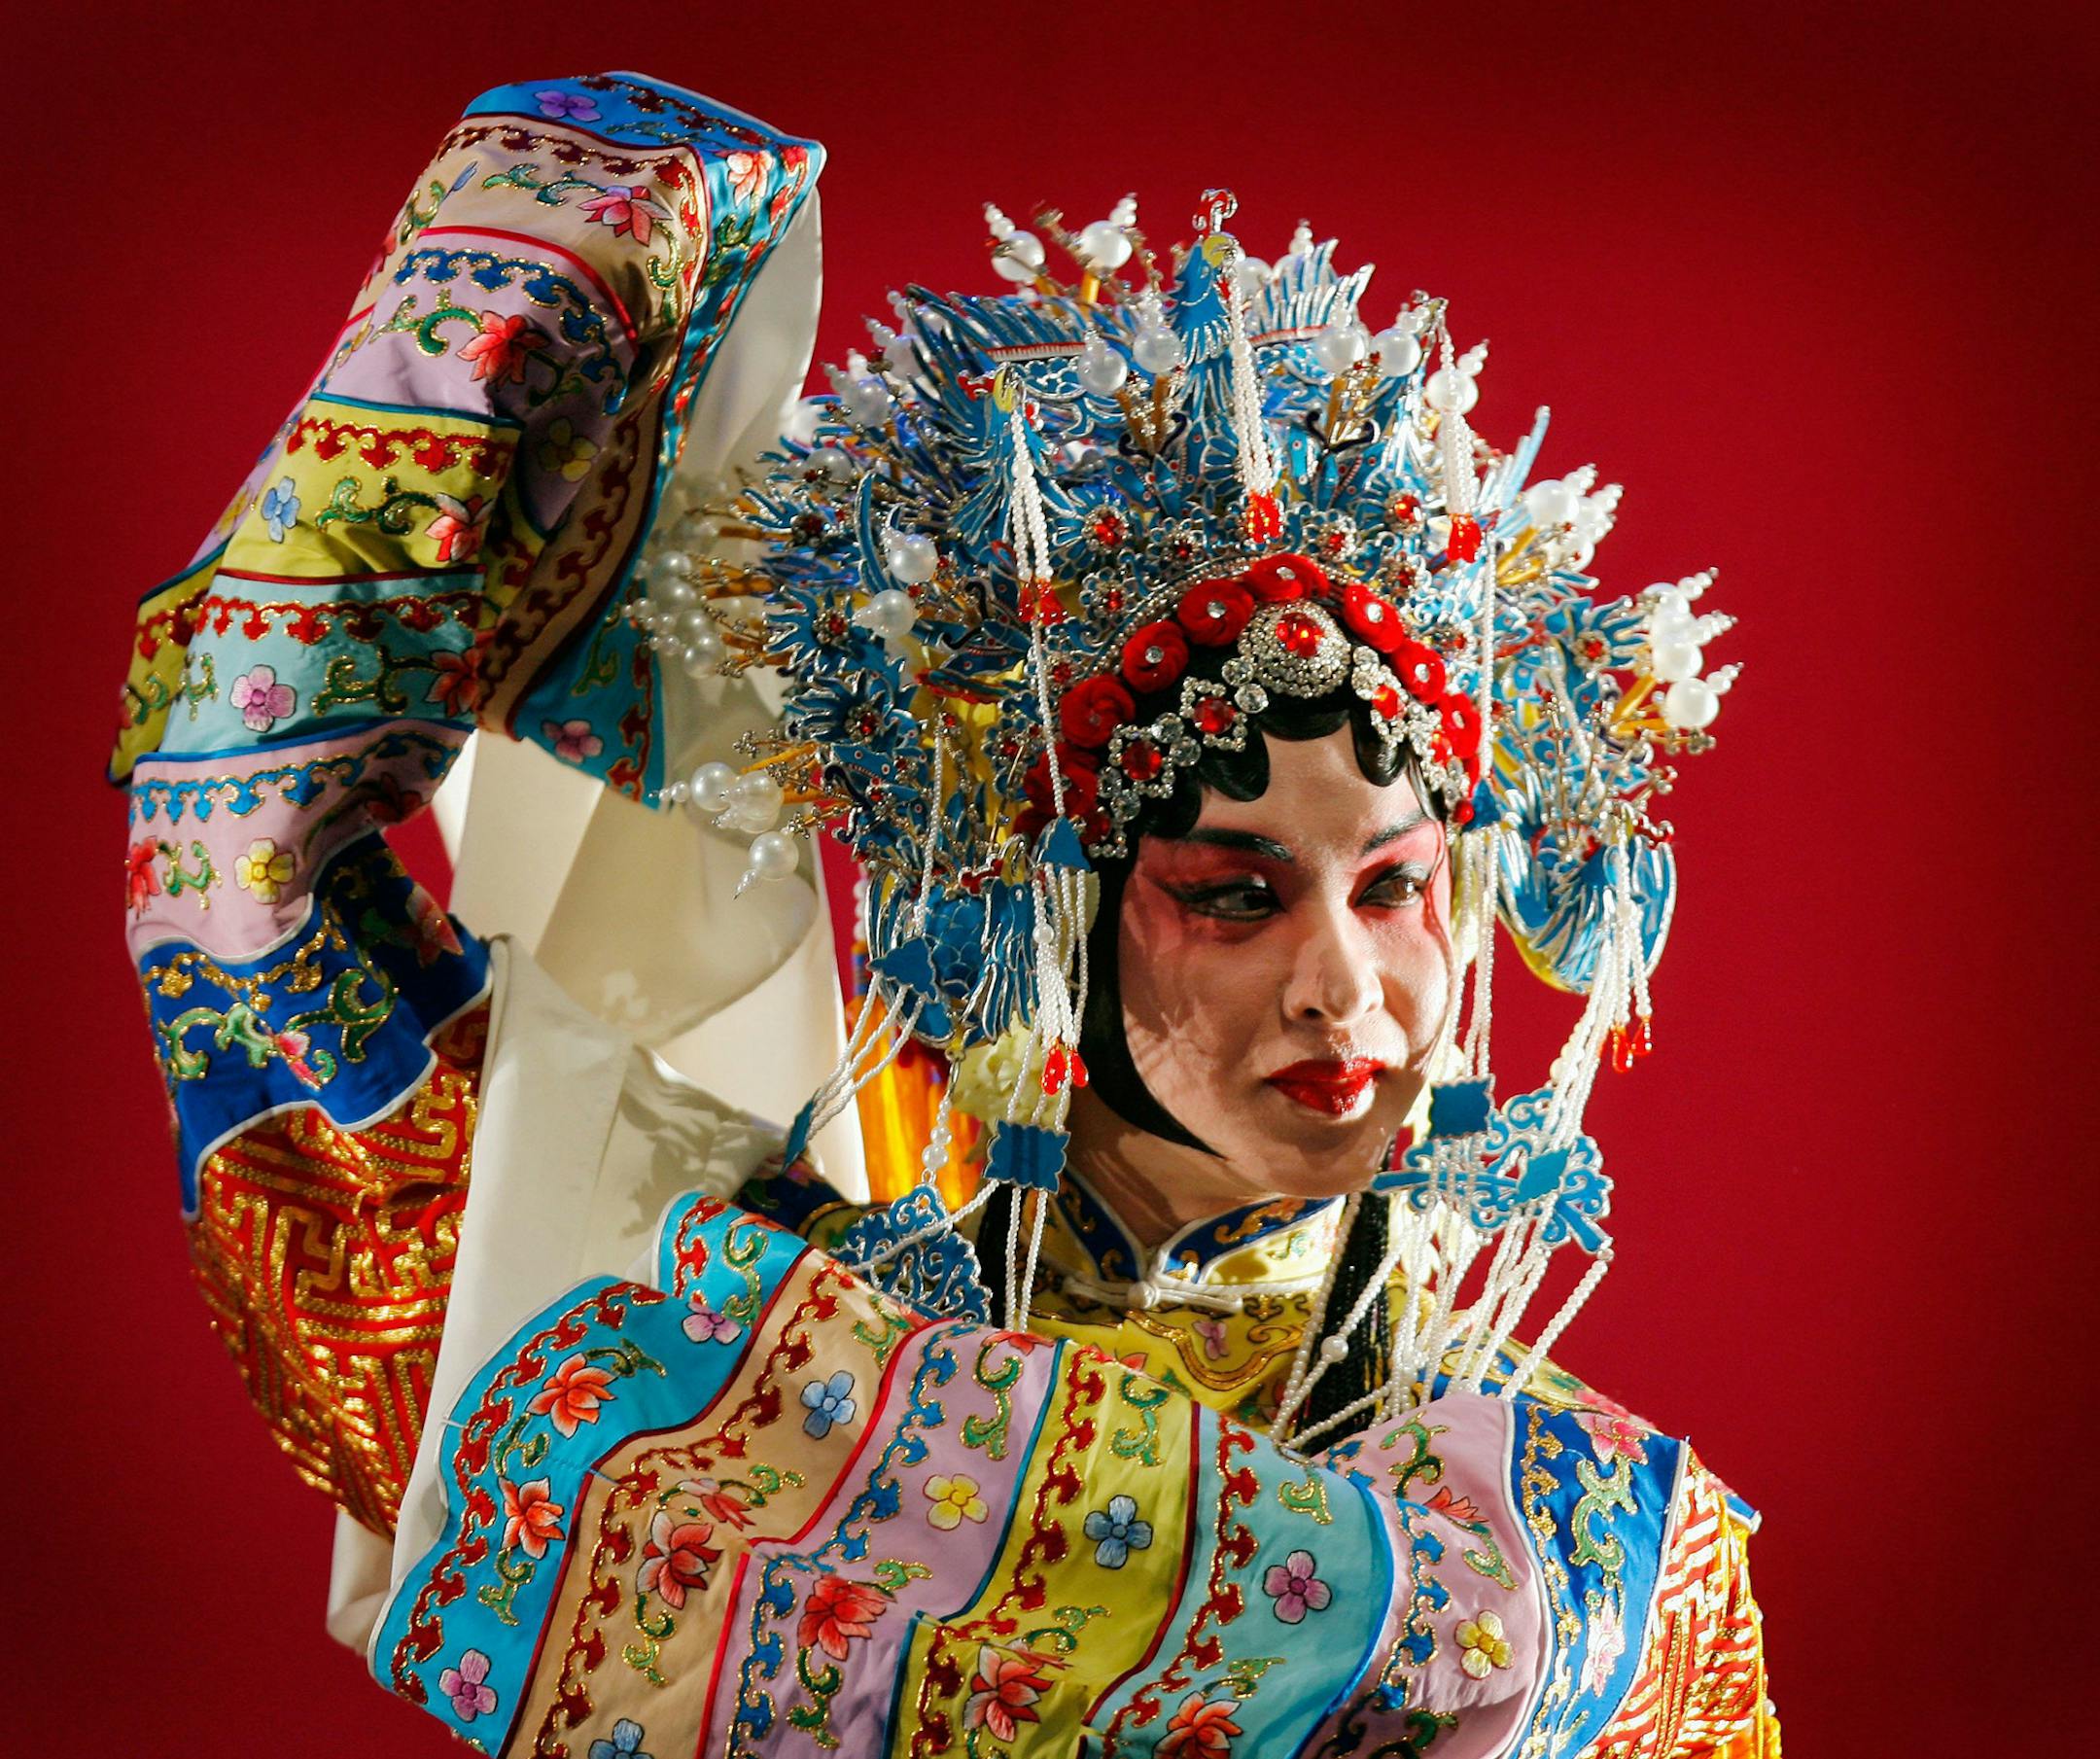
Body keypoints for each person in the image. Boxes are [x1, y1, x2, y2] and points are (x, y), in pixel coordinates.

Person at [116, 71, 1776, 1755]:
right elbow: (238, 880)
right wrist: (538, 288)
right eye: (1234, 896)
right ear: (1020, 913)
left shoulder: (1616, 1564)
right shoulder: (727, 1365)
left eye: (1397, 886)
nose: (1346, 987)